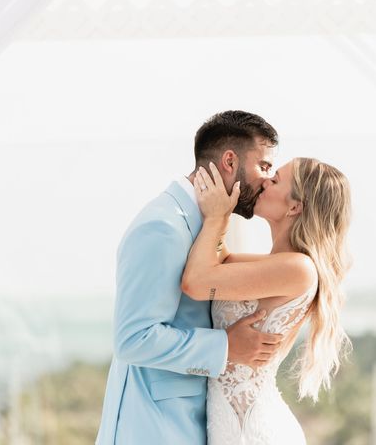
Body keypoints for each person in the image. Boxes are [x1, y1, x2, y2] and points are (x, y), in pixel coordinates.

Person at [95, 111, 284, 444]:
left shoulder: (207, 223)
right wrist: (227, 346)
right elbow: (133, 339)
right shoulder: (163, 227)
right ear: (229, 161)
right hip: (155, 428)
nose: (267, 181)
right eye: (264, 166)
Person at [181, 157, 352, 444]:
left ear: (295, 206)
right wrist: (222, 212)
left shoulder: (298, 269)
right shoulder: (277, 265)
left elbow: (195, 283)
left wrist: (217, 217)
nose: (264, 181)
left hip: (252, 433)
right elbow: (219, 261)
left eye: (274, 180)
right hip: (232, 427)